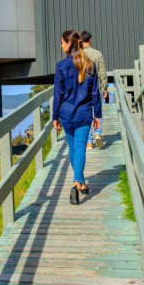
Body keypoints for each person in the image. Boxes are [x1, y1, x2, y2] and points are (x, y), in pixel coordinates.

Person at [52, 30, 101, 205]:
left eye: (62, 42)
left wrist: (55, 115)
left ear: (69, 43)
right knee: (79, 148)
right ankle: (79, 183)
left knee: (73, 148)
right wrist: (98, 114)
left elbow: (58, 93)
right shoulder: (89, 64)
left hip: (66, 113)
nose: (61, 45)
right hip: (84, 113)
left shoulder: (60, 66)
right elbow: (95, 93)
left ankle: (78, 182)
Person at [81, 31, 108, 149]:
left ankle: (89, 142)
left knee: (86, 115)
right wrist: (105, 88)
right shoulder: (97, 54)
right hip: (95, 89)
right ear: (90, 39)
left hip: (82, 91)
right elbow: (102, 72)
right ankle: (98, 133)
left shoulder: (78, 55)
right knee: (98, 111)